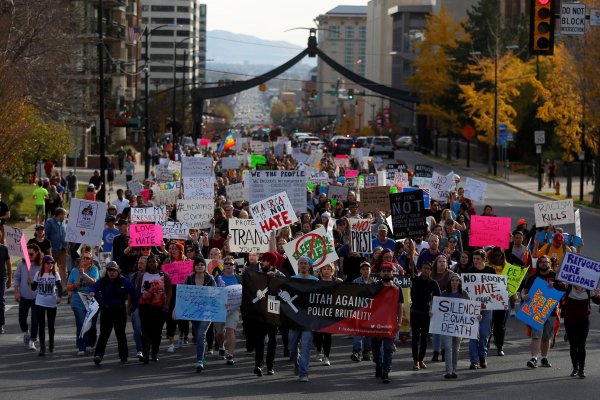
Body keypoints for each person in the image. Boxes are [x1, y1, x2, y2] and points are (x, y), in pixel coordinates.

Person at [244, 254, 285, 377]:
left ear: (271, 263)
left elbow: (285, 285)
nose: (262, 262)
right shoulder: (257, 272)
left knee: (272, 339)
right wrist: (246, 274)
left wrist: (276, 277)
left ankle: (270, 365)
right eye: (262, 260)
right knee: (259, 339)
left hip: (273, 310)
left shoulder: (279, 274)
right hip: (260, 310)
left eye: (265, 261)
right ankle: (258, 364)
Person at [521, 255, 566, 369]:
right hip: (537, 311)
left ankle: (544, 358)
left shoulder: (555, 276)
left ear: (549, 263)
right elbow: (524, 290)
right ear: (538, 264)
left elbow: (564, 287)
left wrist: (555, 284)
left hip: (551, 311)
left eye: (546, 262)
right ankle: (534, 358)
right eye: (542, 262)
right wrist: (524, 296)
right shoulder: (532, 277)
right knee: (536, 335)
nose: (544, 263)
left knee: (546, 337)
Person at [90, 261, 138, 365]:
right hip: (106, 311)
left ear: (118, 271)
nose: (111, 273)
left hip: (119, 311)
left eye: (113, 270)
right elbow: (93, 287)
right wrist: (92, 291)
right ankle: (98, 355)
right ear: (107, 271)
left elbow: (133, 293)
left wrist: (134, 307)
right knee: (104, 334)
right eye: (109, 270)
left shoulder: (124, 281)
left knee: (120, 334)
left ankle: (124, 356)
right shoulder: (103, 281)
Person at [371, 261, 404, 384]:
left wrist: (399, 321)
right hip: (375, 324)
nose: (386, 273)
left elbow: (400, 306)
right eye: (383, 271)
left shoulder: (397, 289)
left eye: (388, 271)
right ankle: (378, 365)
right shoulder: (375, 286)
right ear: (380, 273)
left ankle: (386, 372)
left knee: (388, 348)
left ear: (393, 273)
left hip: (390, 324)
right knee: (375, 349)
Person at [136, 254, 172, 363]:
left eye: (154, 261)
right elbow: (137, 290)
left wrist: (167, 305)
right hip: (145, 307)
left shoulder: (164, 275)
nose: (152, 263)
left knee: (157, 331)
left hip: (159, 307)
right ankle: (146, 354)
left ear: (158, 263)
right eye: (150, 262)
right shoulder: (142, 276)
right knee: (145, 330)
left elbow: (169, 290)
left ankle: (154, 353)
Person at [289, 256, 318, 382]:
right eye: (301, 263)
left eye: (305, 263)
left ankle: (304, 373)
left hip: (308, 319)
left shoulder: (316, 280)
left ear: (309, 266)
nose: (303, 265)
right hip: (294, 319)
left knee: (305, 346)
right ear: (298, 265)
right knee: (292, 346)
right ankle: (297, 363)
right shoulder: (292, 280)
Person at [183, 259, 216, 372]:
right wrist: (176, 309)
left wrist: (222, 305)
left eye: (202, 264)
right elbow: (183, 294)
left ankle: (199, 361)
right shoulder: (189, 278)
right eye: (197, 264)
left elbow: (216, 294)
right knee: (199, 335)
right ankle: (202, 356)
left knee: (201, 333)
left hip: (207, 312)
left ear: (205, 266)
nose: (200, 266)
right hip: (194, 311)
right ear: (194, 266)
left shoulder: (210, 279)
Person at [437, 273, 471, 379]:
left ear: (460, 282)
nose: (455, 282)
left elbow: (470, 309)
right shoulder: (444, 294)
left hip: (459, 325)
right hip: (446, 325)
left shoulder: (464, 294)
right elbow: (438, 308)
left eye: (457, 280)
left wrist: (476, 316)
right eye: (453, 280)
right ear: (450, 282)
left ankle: (454, 368)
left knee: (456, 347)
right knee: (447, 347)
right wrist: (432, 312)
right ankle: (449, 371)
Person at [562, 285, 600, 378]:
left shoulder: (588, 290)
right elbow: (558, 285)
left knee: (581, 345)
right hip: (570, 320)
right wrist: (553, 283)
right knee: (573, 345)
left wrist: (597, 294)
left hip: (583, 321)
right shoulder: (568, 287)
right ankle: (575, 368)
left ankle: (581, 370)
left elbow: (598, 301)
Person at [66, 249, 99, 356]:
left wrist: (84, 274)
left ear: (91, 260)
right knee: (81, 323)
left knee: (91, 324)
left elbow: (93, 282)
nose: (85, 259)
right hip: (78, 301)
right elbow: (68, 286)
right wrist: (75, 285)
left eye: (87, 258)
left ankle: (91, 343)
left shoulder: (94, 269)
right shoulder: (75, 271)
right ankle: (81, 346)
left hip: (91, 301)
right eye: (83, 258)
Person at [468, 249, 496, 369]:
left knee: (484, 333)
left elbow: (495, 288)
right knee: (473, 334)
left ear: (484, 259)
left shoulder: (491, 271)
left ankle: (482, 356)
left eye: (477, 259)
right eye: (474, 259)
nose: (475, 261)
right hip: (473, 307)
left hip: (487, 307)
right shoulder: (469, 272)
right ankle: (474, 360)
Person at [410, 262, 440, 370]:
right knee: (415, 337)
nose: (426, 270)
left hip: (426, 314)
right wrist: (410, 253)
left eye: (428, 268)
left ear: (431, 271)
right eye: (424, 268)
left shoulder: (433, 283)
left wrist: (433, 310)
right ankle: (415, 360)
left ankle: (421, 359)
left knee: (424, 338)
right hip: (414, 312)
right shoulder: (415, 279)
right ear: (420, 269)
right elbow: (411, 268)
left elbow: (438, 299)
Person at [31, 255, 62, 356]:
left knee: (51, 325)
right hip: (40, 302)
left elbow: (60, 286)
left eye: (52, 263)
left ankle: (51, 344)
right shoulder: (38, 274)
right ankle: (42, 347)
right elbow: (33, 288)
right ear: (44, 263)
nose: (51, 265)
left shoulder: (55, 274)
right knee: (41, 325)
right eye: (49, 263)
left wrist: (59, 296)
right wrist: (31, 282)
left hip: (51, 302)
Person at [214, 255, 242, 365]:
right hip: (219, 308)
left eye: (231, 264)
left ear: (234, 266)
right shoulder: (217, 278)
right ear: (223, 266)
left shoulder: (239, 279)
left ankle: (230, 354)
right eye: (226, 264)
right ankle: (221, 347)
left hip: (233, 308)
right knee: (220, 333)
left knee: (230, 330)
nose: (229, 265)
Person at [14, 244, 43, 349]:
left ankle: (32, 340)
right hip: (24, 296)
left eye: (31, 254)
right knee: (21, 319)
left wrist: (35, 282)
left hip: (37, 297)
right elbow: (16, 278)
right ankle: (26, 331)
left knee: (35, 319)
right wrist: (16, 292)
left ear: (37, 253)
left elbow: (46, 278)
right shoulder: (22, 264)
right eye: (27, 254)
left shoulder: (41, 265)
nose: (29, 256)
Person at [314, 263, 342, 366]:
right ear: (321, 271)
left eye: (329, 269)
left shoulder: (336, 282)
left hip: (330, 312)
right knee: (318, 334)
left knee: (328, 334)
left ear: (332, 271)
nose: (326, 271)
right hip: (318, 312)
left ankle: (326, 356)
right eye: (324, 269)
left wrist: (340, 284)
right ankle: (318, 350)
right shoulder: (317, 282)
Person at [351, 261, 375, 362]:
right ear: (360, 270)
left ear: (370, 270)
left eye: (367, 269)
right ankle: (357, 352)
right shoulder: (356, 281)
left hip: (370, 311)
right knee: (358, 333)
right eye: (363, 269)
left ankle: (367, 352)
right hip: (359, 311)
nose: (365, 271)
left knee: (369, 332)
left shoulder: (374, 282)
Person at [44, 208, 67, 284]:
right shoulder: (50, 222)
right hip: (52, 250)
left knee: (62, 268)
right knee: (50, 268)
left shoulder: (63, 222)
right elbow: (46, 236)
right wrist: (47, 249)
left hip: (62, 250)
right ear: (60, 215)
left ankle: (63, 287)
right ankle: (49, 285)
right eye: (64, 215)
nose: (65, 217)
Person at [0, 231, 11, 334]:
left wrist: (9, 279)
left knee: (0, 301)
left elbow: (8, 264)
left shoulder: (4, 249)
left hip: (1, 278)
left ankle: (1, 324)